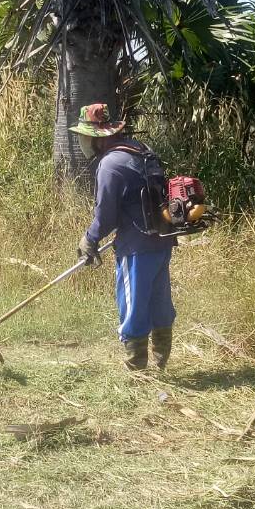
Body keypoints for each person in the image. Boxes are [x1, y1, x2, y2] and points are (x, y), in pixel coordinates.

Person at [71, 102, 175, 371]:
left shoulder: (110, 165)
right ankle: (161, 362)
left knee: (133, 305)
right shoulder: (140, 150)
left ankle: (136, 369)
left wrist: (89, 239)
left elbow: (106, 216)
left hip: (136, 247)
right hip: (162, 240)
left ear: (96, 138)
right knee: (159, 299)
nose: (83, 142)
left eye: (84, 136)